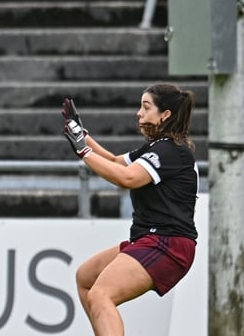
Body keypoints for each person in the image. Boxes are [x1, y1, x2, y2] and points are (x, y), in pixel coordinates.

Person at [61, 82, 198, 336]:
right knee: (87, 281)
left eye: (146, 107)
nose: (139, 113)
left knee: (101, 294)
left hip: (168, 243)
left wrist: (83, 150)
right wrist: (81, 133)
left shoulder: (172, 150)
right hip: (152, 238)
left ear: (165, 114)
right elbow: (114, 161)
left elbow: (127, 179)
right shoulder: (158, 148)